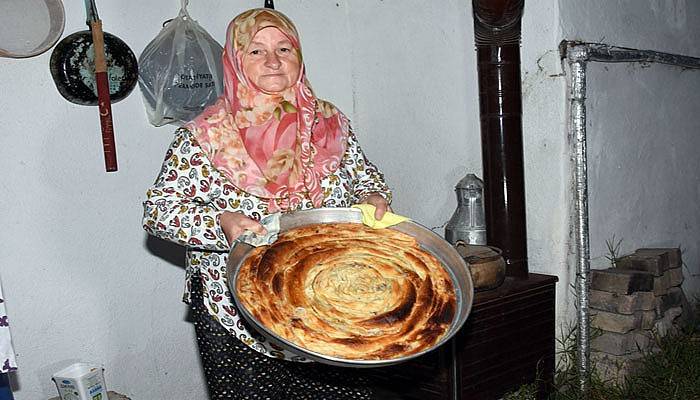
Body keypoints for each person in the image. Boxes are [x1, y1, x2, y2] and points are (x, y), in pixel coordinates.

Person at [142, 8, 392, 400]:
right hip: (242, 317)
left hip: (329, 302)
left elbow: (364, 174)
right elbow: (159, 211)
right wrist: (220, 222)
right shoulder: (205, 135)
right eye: (256, 51)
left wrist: (373, 195)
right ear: (235, 61)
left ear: (299, 55)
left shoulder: (330, 121)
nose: (273, 61)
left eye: (284, 48)